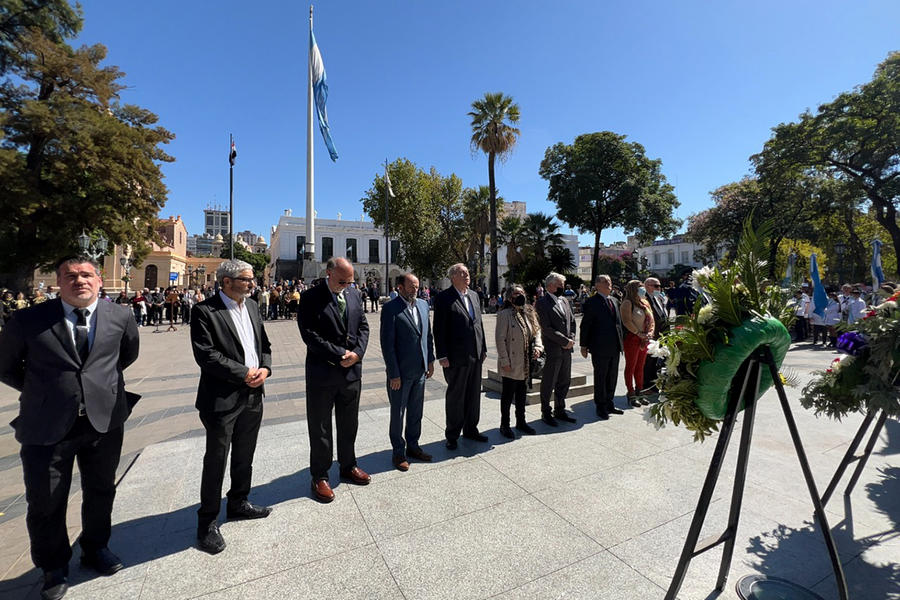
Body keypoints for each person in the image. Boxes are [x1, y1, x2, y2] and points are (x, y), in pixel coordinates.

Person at [0, 256, 140, 600]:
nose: (80, 281)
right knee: (46, 500)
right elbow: (5, 367)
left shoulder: (120, 316)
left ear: (98, 278)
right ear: (59, 282)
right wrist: (45, 392)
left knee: (101, 490)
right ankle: (53, 567)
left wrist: (94, 388)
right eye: (70, 276)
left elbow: (125, 356)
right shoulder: (27, 319)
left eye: (86, 275)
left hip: (103, 421)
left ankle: (95, 548)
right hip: (46, 425)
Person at [189, 260, 272, 555]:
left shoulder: (251, 307)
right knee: (216, 460)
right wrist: (244, 373)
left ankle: (238, 502)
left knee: (244, 454)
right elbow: (207, 356)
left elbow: (264, 345)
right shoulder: (204, 311)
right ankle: (207, 522)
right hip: (221, 399)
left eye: (252, 279)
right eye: (247, 280)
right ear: (226, 281)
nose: (252, 284)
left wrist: (265, 369)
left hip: (253, 395)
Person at [298, 257, 371, 502]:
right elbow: (310, 335)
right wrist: (340, 354)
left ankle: (348, 466)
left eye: (350, 281)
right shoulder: (310, 298)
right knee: (320, 427)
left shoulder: (353, 294)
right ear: (328, 273)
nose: (347, 285)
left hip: (351, 374)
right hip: (323, 374)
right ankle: (320, 475)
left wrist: (357, 353)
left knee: (349, 423)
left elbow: (363, 326)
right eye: (342, 281)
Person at [380, 273, 435, 471]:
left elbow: (427, 335)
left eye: (418, 287)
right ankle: (398, 452)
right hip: (400, 375)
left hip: (419, 371)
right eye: (411, 287)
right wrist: (393, 373)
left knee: (416, 412)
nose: (416, 290)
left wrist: (430, 360)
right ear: (400, 287)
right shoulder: (390, 309)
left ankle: (413, 446)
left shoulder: (422, 305)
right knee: (398, 413)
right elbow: (387, 344)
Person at [433, 263, 487, 449]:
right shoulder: (443, 298)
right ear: (453, 277)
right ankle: (452, 434)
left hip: (476, 354)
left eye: (467, 273)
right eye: (462, 273)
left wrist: (484, 348)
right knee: (456, 395)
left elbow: (478, 324)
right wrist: (442, 355)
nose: (467, 276)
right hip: (456, 357)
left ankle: (471, 429)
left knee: (473, 394)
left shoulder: (474, 295)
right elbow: (438, 329)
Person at [495, 285, 542, 438]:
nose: (520, 295)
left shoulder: (528, 312)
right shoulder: (504, 314)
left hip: (526, 361)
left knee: (522, 393)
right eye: (516, 293)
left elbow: (537, 331)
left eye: (522, 293)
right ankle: (505, 425)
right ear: (510, 297)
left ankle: (521, 422)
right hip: (511, 361)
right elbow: (500, 339)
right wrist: (504, 361)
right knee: (508, 395)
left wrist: (538, 346)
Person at [535, 272, 578, 425]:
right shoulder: (542, 303)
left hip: (567, 349)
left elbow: (572, 322)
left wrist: (571, 338)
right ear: (551, 286)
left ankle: (560, 409)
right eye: (560, 285)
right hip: (553, 348)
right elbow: (545, 327)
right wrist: (563, 340)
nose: (563, 287)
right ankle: (545, 412)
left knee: (564, 380)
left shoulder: (565, 301)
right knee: (549, 381)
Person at [580, 275, 624, 420]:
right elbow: (586, 325)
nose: (609, 284)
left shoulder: (615, 301)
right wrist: (584, 345)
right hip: (599, 346)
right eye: (605, 282)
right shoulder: (591, 302)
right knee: (601, 377)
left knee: (612, 376)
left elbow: (618, 324)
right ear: (597, 285)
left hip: (614, 346)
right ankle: (601, 406)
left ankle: (609, 403)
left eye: (610, 281)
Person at [620, 280, 655, 406]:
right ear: (633, 289)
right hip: (632, 339)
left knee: (641, 366)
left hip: (644, 339)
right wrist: (639, 333)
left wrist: (650, 332)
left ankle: (640, 391)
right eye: (640, 287)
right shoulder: (627, 303)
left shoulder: (645, 302)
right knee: (631, 366)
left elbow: (651, 319)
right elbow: (627, 321)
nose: (643, 289)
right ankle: (631, 393)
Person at [642, 277, 669, 399]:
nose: (659, 288)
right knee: (648, 363)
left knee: (657, 363)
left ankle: (654, 385)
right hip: (652, 336)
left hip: (662, 335)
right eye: (656, 286)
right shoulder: (644, 299)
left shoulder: (658, 298)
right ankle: (646, 386)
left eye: (659, 286)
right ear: (647, 286)